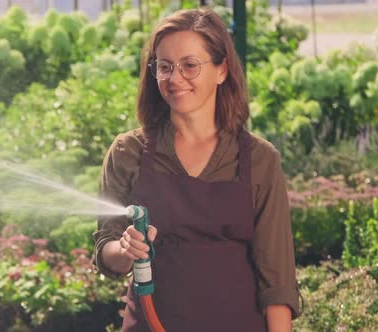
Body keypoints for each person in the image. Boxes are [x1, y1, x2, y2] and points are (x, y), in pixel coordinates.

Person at [92, 7, 302, 332]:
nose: (175, 79)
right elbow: (105, 248)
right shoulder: (127, 152)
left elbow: (277, 284)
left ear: (222, 70)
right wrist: (124, 249)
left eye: (190, 65)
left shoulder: (260, 160)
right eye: (164, 67)